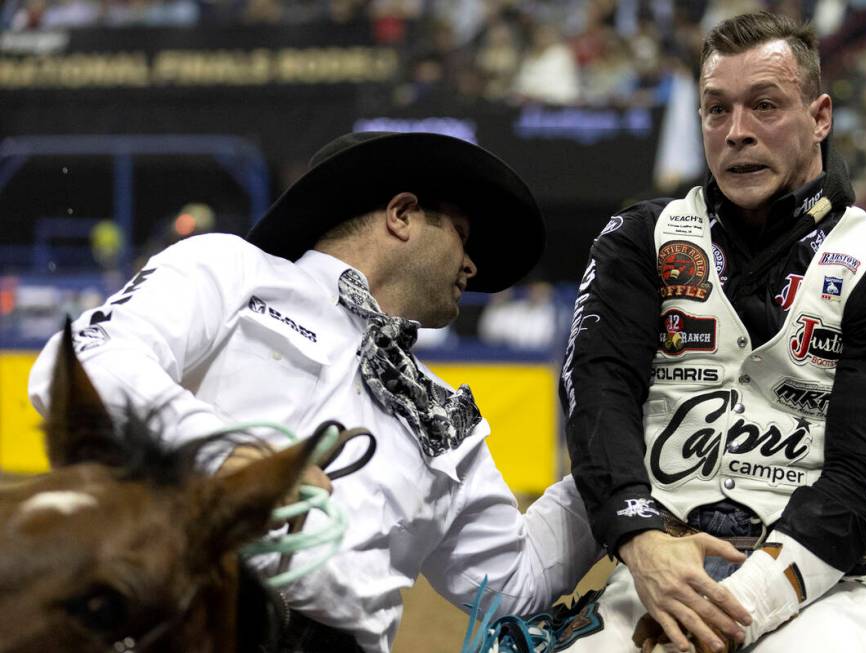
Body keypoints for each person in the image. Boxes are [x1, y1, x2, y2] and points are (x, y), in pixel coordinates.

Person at [27, 131, 601, 653]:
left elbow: (514, 584)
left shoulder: (446, 416)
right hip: (178, 622)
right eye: (462, 234)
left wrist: (620, 461)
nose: (473, 265)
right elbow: (83, 363)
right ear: (401, 214)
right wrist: (236, 455)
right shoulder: (230, 269)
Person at [561, 12, 866, 653]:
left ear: (819, 117)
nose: (737, 133)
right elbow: (598, 393)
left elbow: (862, 481)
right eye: (716, 111)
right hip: (661, 562)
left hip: (815, 585)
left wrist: (739, 604)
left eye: (764, 106)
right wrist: (642, 543)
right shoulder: (637, 241)